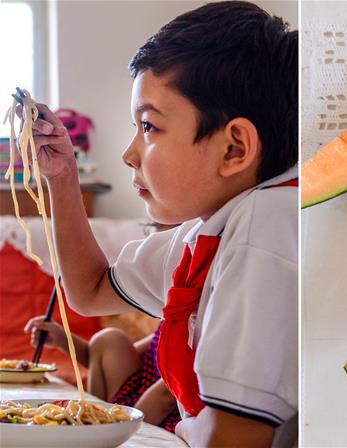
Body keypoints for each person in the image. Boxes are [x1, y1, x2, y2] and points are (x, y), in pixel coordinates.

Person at [20, 1, 298, 446]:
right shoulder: (205, 233)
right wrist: (62, 176)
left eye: (148, 126)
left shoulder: (265, 225)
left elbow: (236, 439)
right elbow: (90, 291)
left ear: (234, 149)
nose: (129, 154)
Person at [24, 319, 180, 431]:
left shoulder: (196, 329)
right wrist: (62, 339)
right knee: (109, 339)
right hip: (133, 402)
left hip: (155, 418)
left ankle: (96, 427)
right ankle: (91, 420)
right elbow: (108, 357)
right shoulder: (173, 319)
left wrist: (128, 428)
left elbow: (165, 396)